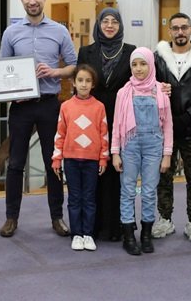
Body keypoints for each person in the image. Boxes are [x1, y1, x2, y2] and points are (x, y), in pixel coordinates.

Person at [0, 0, 77, 238]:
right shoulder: (11, 33)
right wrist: (12, 92)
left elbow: (73, 66)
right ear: (21, 0)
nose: (32, 1)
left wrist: (55, 71)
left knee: (52, 163)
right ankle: (11, 218)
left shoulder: (59, 31)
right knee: (15, 163)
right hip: (20, 107)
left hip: (48, 105)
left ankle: (57, 217)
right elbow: (3, 71)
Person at [152, 13, 191, 242]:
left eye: (184, 28)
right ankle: (164, 219)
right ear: (169, 31)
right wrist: (167, 118)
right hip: (163, 128)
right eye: (175, 28)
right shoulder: (157, 58)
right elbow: (151, 87)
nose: (180, 32)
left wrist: (188, 118)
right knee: (163, 175)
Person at [76, 7, 136, 242]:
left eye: (114, 22)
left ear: (120, 26)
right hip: (91, 117)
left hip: (123, 117)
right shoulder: (86, 51)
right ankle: (91, 225)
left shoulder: (131, 52)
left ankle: (116, 226)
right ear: (98, 25)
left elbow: (145, 79)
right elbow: (80, 83)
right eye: (105, 22)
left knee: (117, 171)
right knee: (94, 171)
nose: (110, 25)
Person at [111, 47, 173, 256]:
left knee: (148, 192)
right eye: (134, 64)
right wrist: (115, 152)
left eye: (143, 64)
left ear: (151, 65)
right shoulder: (124, 92)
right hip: (129, 145)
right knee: (127, 190)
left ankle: (146, 235)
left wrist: (167, 154)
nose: (138, 69)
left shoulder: (161, 91)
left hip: (154, 146)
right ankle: (128, 235)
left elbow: (168, 126)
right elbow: (117, 124)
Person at [51, 64, 109, 251]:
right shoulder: (66, 107)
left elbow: (104, 134)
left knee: (89, 198)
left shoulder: (99, 107)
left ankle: (88, 234)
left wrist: (103, 158)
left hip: (92, 161)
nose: (84, 84)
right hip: (71, 160)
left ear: (93, 85)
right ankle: (76, 234)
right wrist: (57, 158)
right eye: (80, 80)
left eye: (88, 81)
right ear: (73, 83)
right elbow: (60, 134)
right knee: (75, 198)